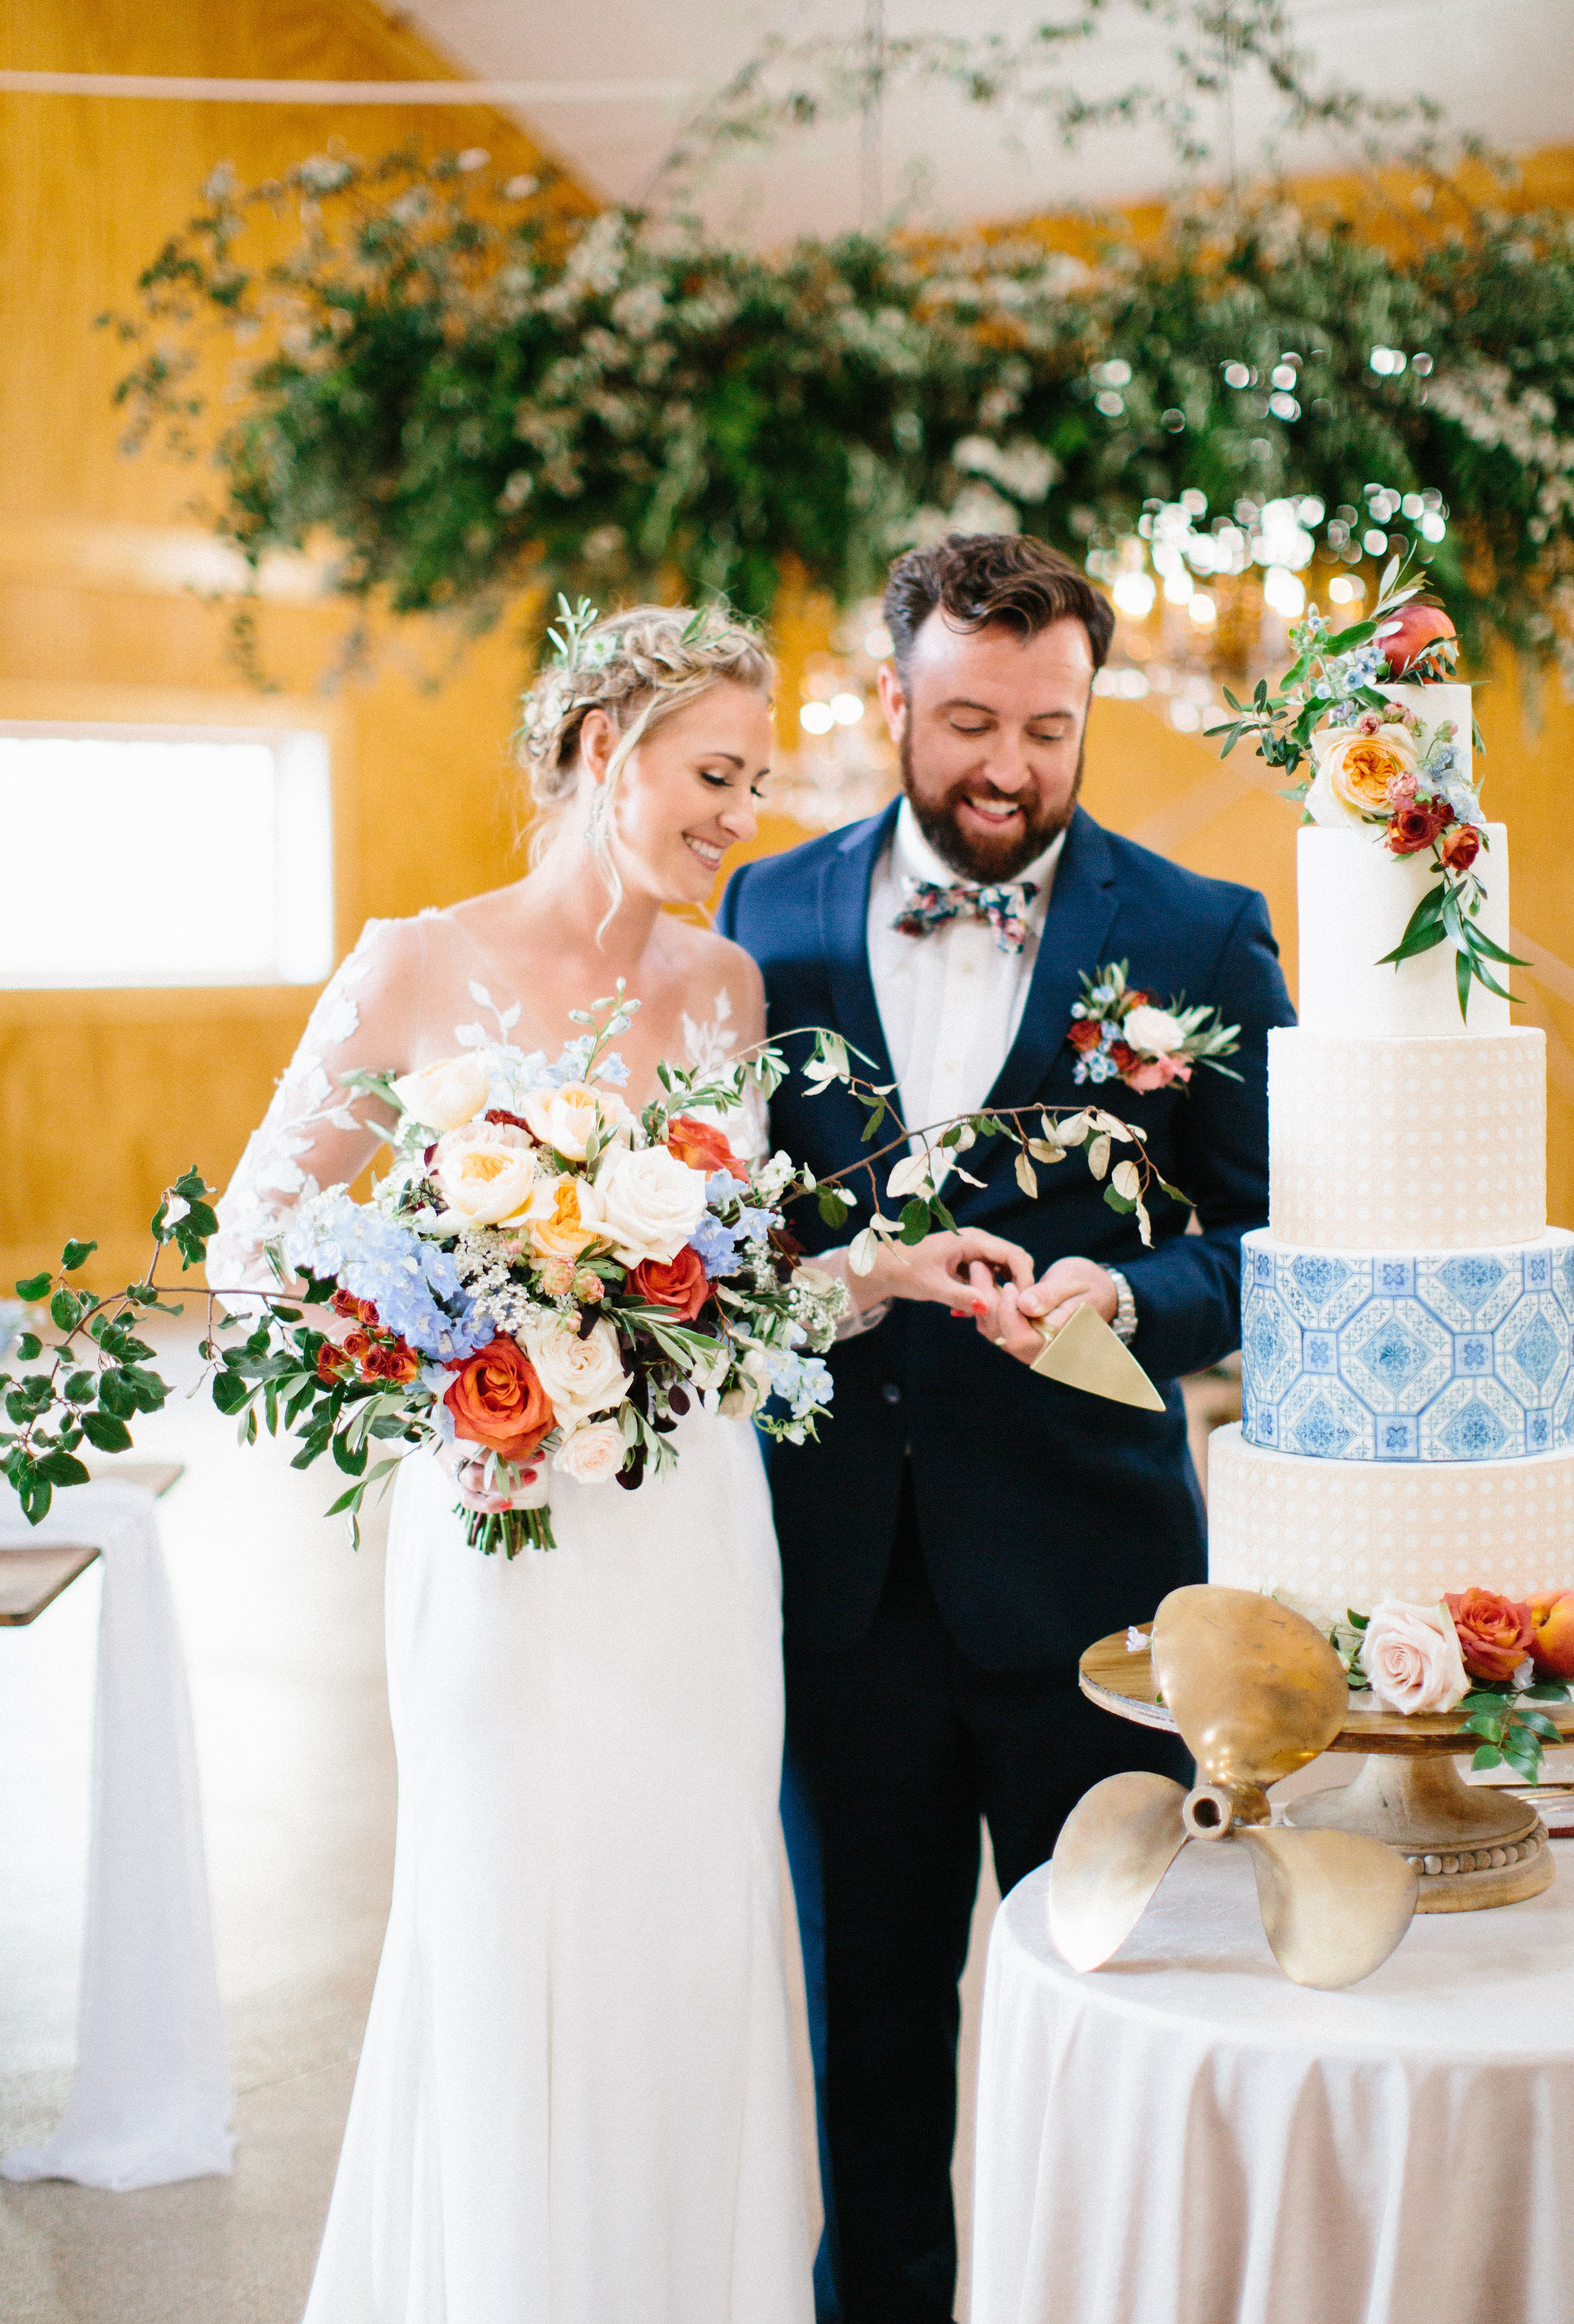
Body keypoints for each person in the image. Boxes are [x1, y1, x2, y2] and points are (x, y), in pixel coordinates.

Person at [211, 602, 1028, 2324]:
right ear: (605, 750)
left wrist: (880, 1272)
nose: (741, 816)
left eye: (756, 783)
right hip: (502, 1530)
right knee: (508, 1909)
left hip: (694, 1538)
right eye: (715, 775)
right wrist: (461, 1353)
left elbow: (741, 1298)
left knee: (689, 1917)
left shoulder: (725, 990)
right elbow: (253, 1243)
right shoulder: (414, 965)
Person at [717, 532, 1296, 2323]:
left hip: (1095, 1590)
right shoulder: (765, 915)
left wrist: (1138, 1297)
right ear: (893, 698)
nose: (1008, 770)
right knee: (866, 2032)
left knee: (1126, 2018)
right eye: (969, 721)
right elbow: (719, 1231)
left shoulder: (1198, 933)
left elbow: (1278, 1240)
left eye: (1049, 730)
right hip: (844, 1582)